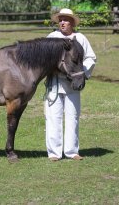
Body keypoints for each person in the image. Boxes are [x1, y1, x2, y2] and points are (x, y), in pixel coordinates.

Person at [44, 8, 96, 161]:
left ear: (72, 22)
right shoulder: (52, 37)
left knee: (72, 117)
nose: (62, 22)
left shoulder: (80, 38)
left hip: (73, 85)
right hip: (54, 83)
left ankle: (72, 151)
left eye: (66, 20)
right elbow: (44, 57)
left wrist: (82, 74)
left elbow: (90, 58)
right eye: (60, 20)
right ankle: (54, 153)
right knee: (53, 117)